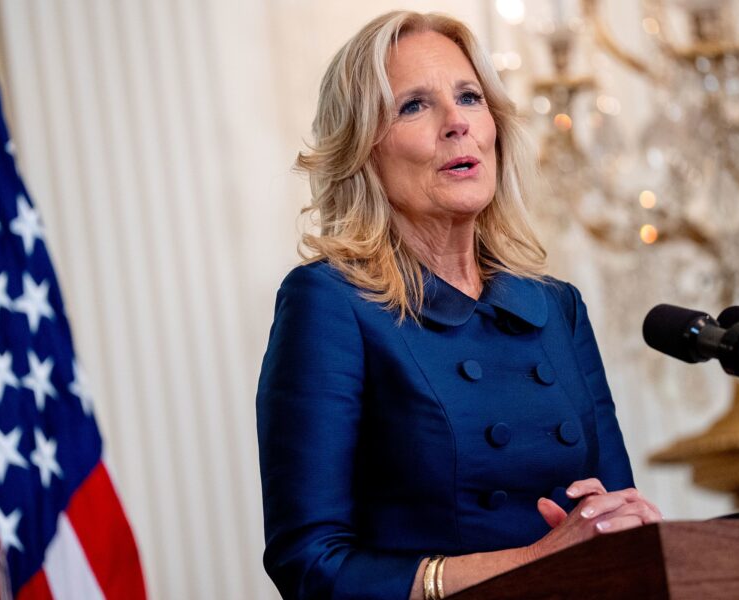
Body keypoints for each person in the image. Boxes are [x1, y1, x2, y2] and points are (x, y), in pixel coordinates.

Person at [256, 10, 662, 600]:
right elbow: (310, 566)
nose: (457, 124)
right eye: (414, 106)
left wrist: (632, 529)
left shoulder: (556, 308)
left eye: (470, 97)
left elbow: (610, 514)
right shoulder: (330, 302)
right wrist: (532, 562)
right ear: (363, 150)